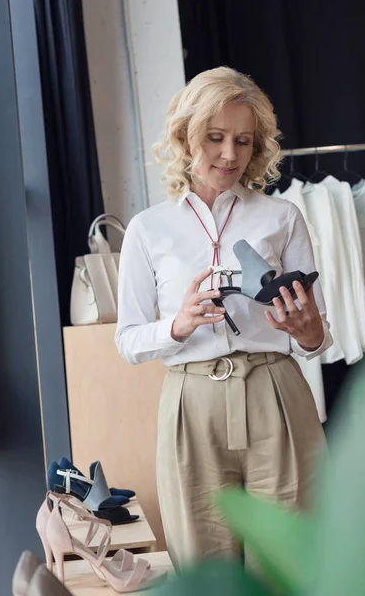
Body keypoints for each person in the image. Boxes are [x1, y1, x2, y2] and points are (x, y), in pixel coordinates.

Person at [115, 67, 332, 566]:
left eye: (242, 141)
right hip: (191, 404)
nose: (229, 155)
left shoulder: (282, 217)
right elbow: (128, 340)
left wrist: (309, 330)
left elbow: (318, 340)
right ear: (185, 137)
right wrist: (178, 324)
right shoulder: (149, 229)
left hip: (275, 393)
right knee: (205, 567)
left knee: (289, 563)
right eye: (215, 138)